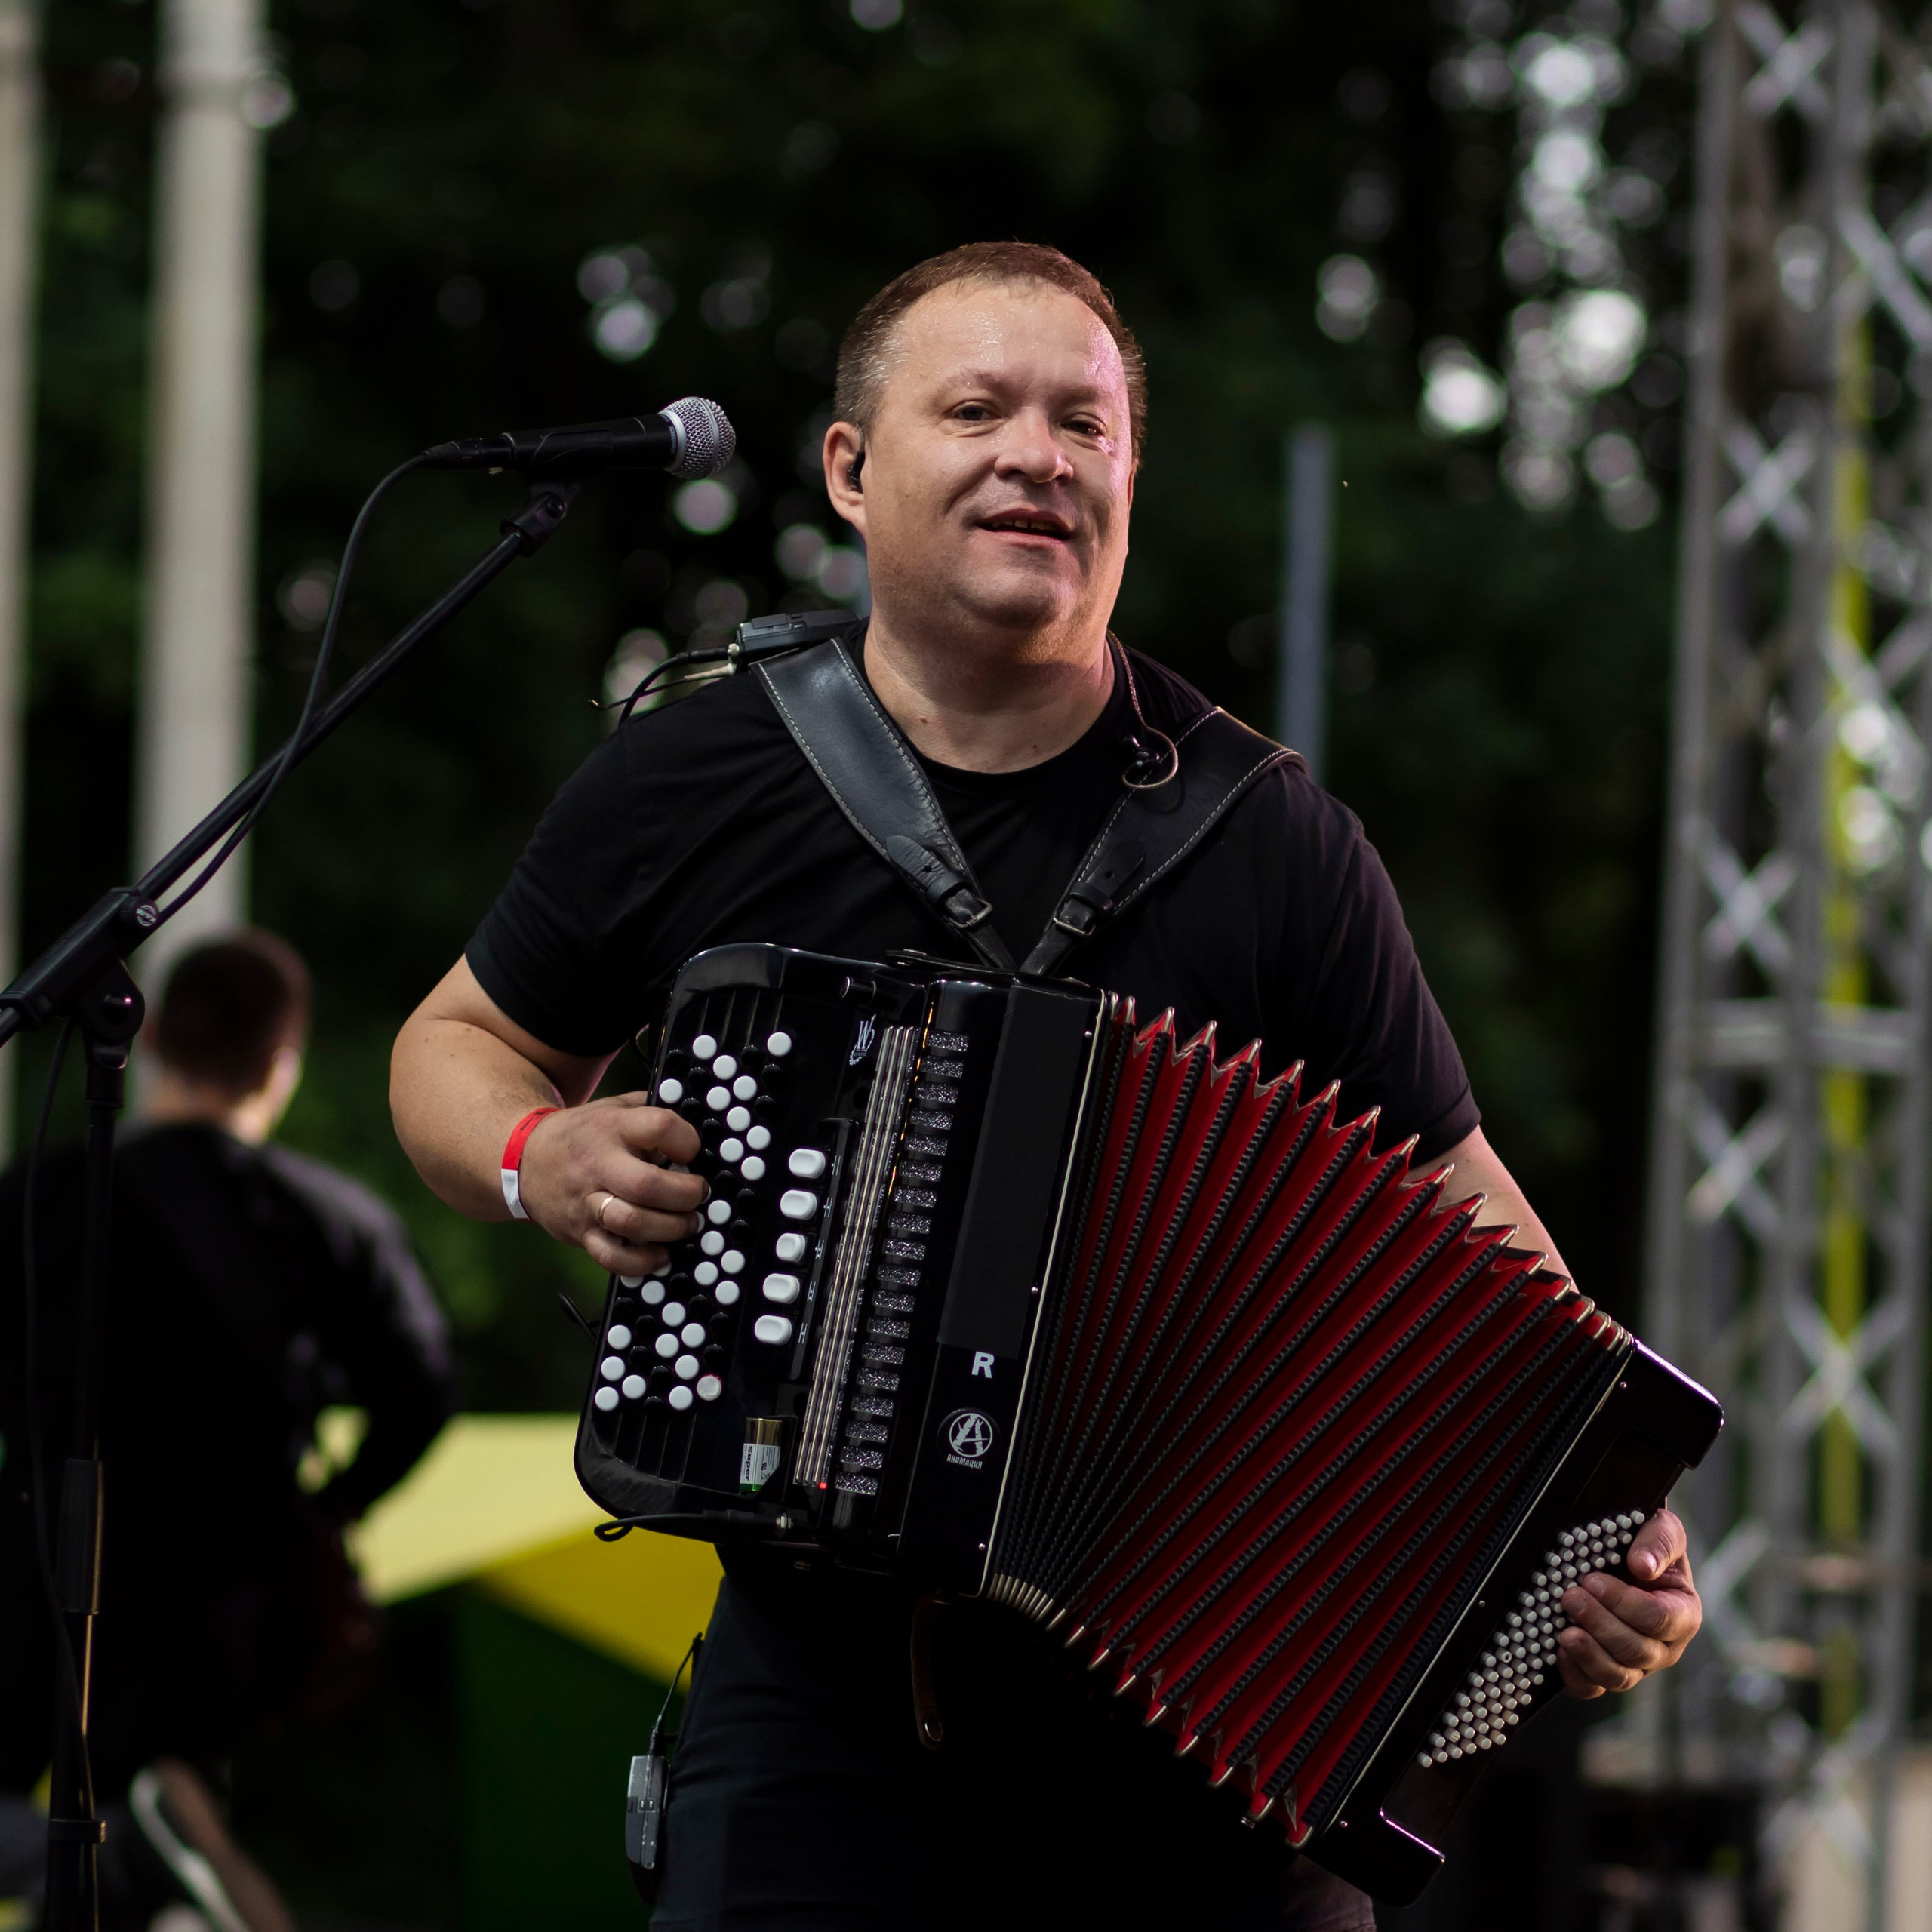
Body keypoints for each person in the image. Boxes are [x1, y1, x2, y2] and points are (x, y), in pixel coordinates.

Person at [389, 242, 1704, 1931]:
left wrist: (1597, 1511)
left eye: (1084, 423)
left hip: (1216, 1745)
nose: (1038, 455)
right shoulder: (692, 774)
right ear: (851, 469)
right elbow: (452, 1046)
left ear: (1129, 477)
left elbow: (1465, 1205)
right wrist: (539, 1149)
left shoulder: (1266, 836)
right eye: (976, 411)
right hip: (824, 1729)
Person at [0, 931, 454, 1932]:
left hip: (35, 1559)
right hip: (219, 1598)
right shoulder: (331, 1221)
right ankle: (143, 1854)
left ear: (156, 1035)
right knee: (171, 1837)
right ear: (283, 1060)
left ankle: (120, 1857)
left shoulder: (39, 1193)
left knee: (82, 1846)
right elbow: (421, 1389)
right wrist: (332, 1509)